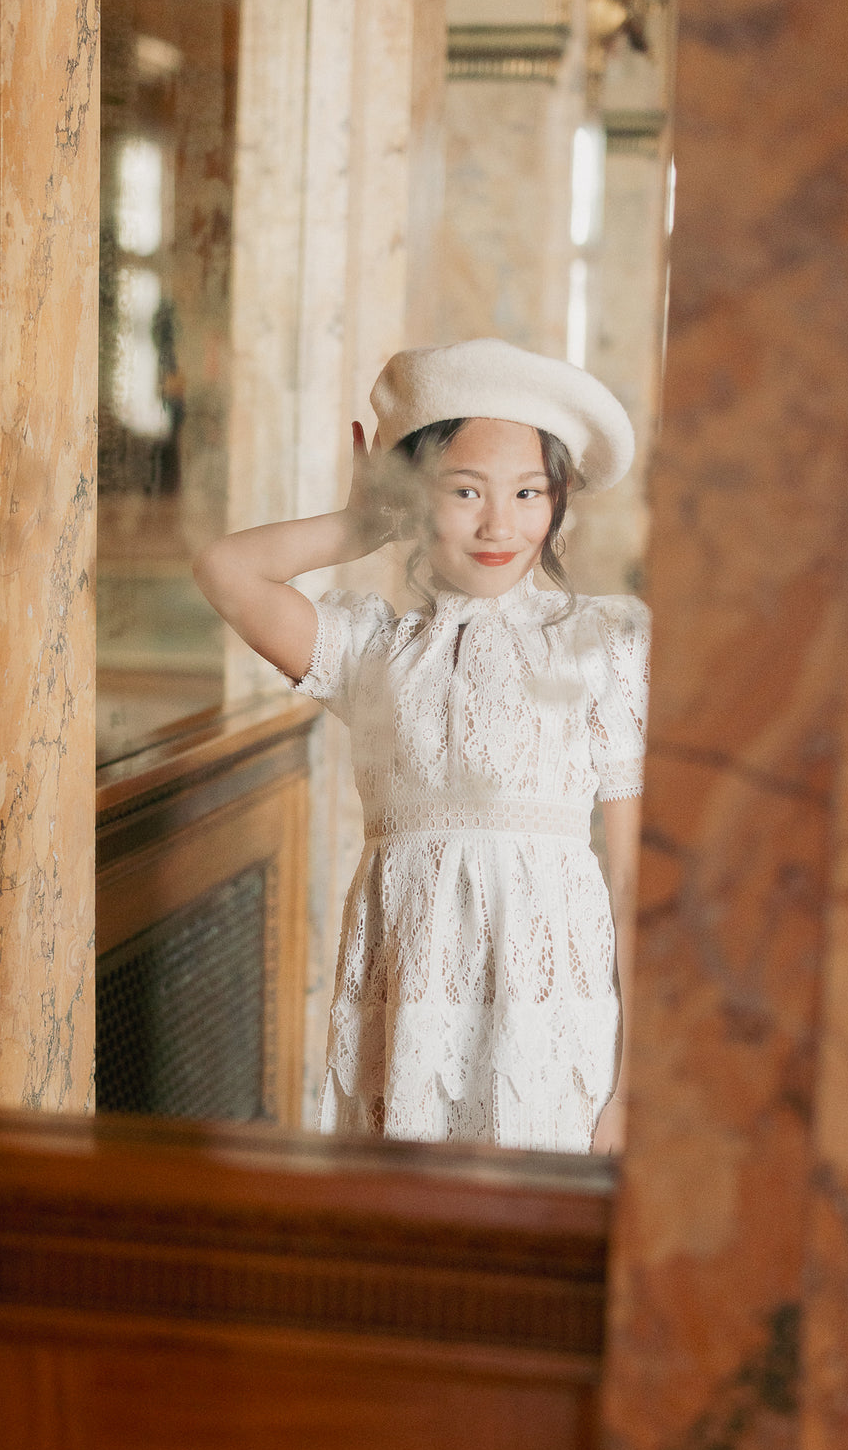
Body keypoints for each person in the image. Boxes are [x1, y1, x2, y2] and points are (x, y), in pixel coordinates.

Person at [193, 339, 649, 1154]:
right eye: (463, 490)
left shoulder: (604, 643)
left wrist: (630, 1083)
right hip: (409, 1018)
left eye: (526, 492)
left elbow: (633, 877)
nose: (498, 522)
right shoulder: (374, 650)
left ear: (559, 500)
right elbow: (227, 570)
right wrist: (359, 521)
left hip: (552, 1023)